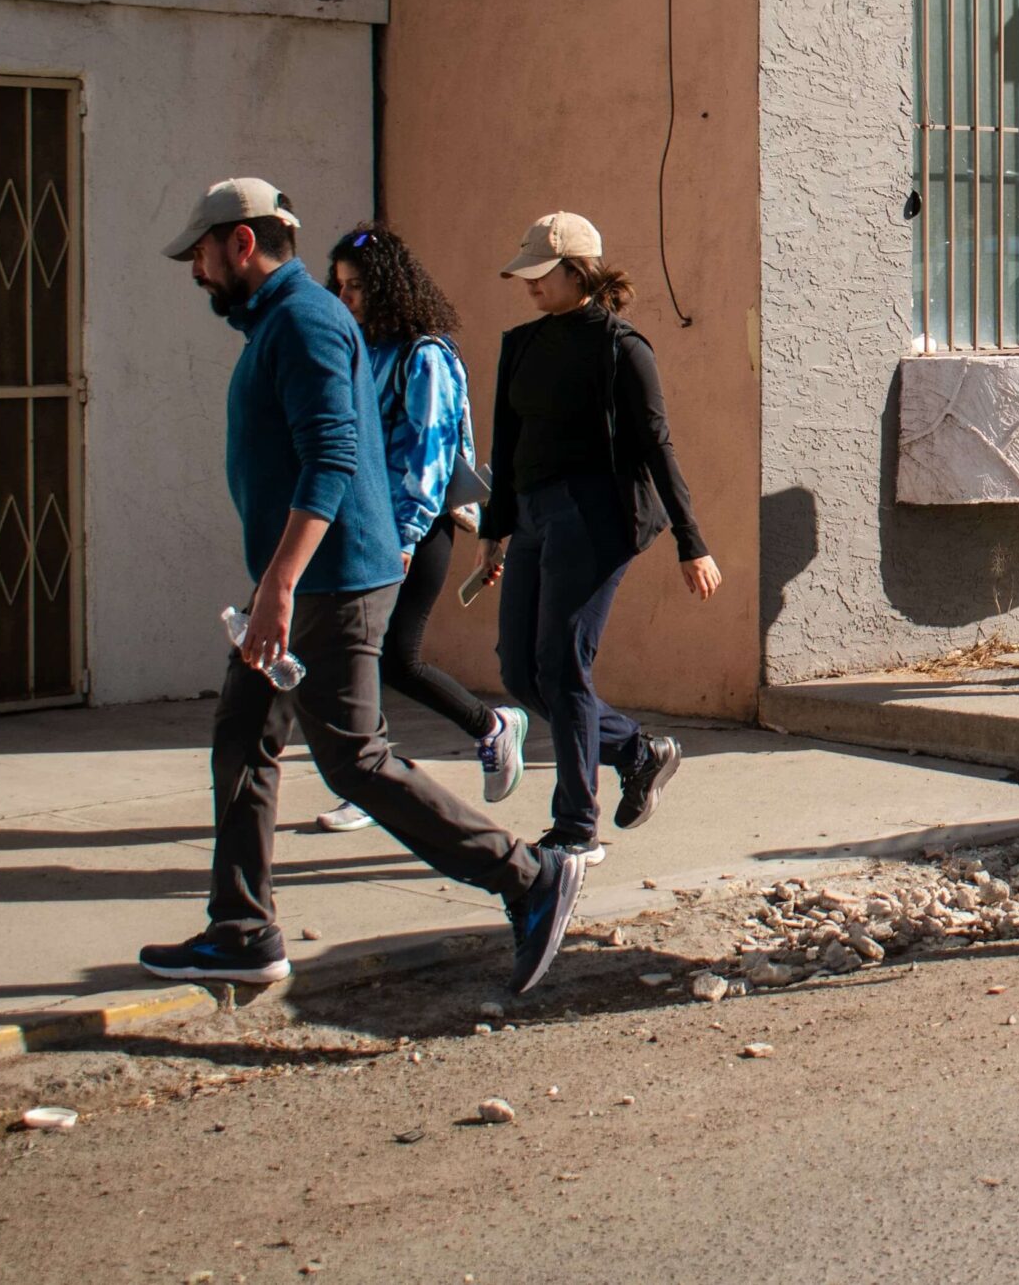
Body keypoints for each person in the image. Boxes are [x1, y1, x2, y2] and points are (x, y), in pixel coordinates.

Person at [143, 178, 580, 995]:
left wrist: (280, 585)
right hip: (304, 581)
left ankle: (528, 877)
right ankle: (241, 931)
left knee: (353, 760)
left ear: (242, 242)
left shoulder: (305, 322)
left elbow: (334, 458)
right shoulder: (282, 321)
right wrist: (276, 582)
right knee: (243, 735)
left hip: (329, 584)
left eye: (200, 253)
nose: (195, 270)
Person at [473, 212, 720, 857]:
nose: (530, 284)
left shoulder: (622, 348)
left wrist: (691, 541)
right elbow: (506, 443)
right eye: (526, 274)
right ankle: (637, 751)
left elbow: (657, 445)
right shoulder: (521, 344)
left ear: (579, 271)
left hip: (594, 520)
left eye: (542, 273)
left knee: (562, 667)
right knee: (521, 672)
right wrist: (494, 531)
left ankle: (576, 826)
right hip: (532, 515)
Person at [308, 224, 530, 835]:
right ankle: (369, 781)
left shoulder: (424, 356)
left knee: (393, 658)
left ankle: (491, 726)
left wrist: (403, 538)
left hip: (415, 529)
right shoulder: (361, 349)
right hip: (364, 527)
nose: (345, 298)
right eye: (339, 286)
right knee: (361, 657)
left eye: (356, 287)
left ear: (388, 288)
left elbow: (430, 458)